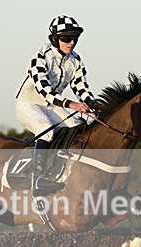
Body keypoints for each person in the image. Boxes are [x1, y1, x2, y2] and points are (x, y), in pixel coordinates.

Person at [16, 15, 97, 195]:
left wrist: (93, 104)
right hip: (28, 104)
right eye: (66, 39)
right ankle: (38, 180)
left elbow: (81, 87)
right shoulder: (40, 57)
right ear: (54, 39)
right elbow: (45, 91)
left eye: (74, 39)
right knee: (47, 129)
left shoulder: (75, 61)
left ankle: (69, 173)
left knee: (79, 127)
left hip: (51, 106)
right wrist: (72, 104)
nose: (71, 43)